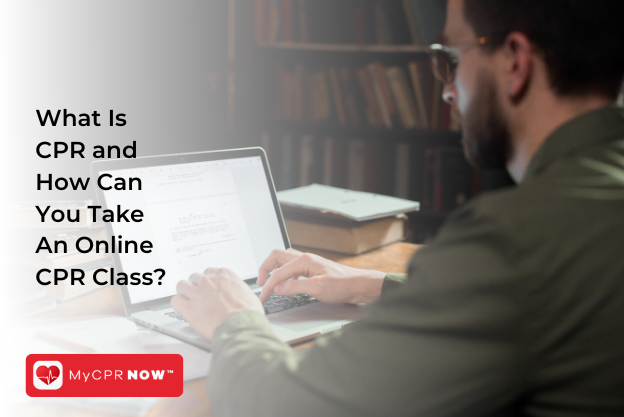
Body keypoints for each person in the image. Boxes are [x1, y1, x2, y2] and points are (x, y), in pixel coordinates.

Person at [172, 0, 624, 415]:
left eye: (451, 58)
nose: (447, 90)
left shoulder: (514, 238)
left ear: (515, 62)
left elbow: (285, 404)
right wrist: (368, 283)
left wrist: (235, 319)